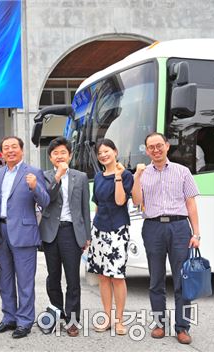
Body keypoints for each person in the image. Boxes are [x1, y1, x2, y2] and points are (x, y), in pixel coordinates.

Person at [132, 132, 200, 345]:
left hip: (180, 227)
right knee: (156, 279)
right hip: (153, 227)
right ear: (146, 150)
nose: (155, 150)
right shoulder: (143, 174)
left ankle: (182, 327)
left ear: (167, 146)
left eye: (159, 145)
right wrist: (136, 177)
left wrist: (196, 233)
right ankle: (160, 324)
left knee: (182, 279)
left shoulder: (182, 171)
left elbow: (191, 204)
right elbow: (136, 201)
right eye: (151, 147)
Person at [0, 136, 50, 339]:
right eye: (6, 148)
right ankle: (9, 318)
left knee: (25, 281)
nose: (10, 151)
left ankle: (24, 321)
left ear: (22, 150)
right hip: (1, 231)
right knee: (5, 279)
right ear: (2, 153)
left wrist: (35, 186)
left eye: (14, 147)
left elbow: (45, 201)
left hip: (24, 232)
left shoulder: (33, 172)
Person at [39, 137, 91, 337]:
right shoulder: (45, 176)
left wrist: (86, 234)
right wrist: (57, 177)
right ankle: (56, 312)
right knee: (53, 277)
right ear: (50, 157)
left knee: (72, 279)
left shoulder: (81, 177)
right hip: (51, 232)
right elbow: (47, 199)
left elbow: (85, 208)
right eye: (55, 153)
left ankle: (72, 320)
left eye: (63, 152)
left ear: (69, 155)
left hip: (72, 231)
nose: (59, 156)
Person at [86, 138, 133, 336]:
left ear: (115, 151)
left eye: (107, 151)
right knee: (103, 276)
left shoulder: (126, 175)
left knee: (117, 277)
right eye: (100, 153)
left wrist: (119, 177)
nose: (103, 155)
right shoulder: (97, 177)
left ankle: (119, 320)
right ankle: (106, 317)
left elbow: (120, 200)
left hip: (118, 229)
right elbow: (97, 205)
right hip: (99, 229)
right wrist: (92, 232)